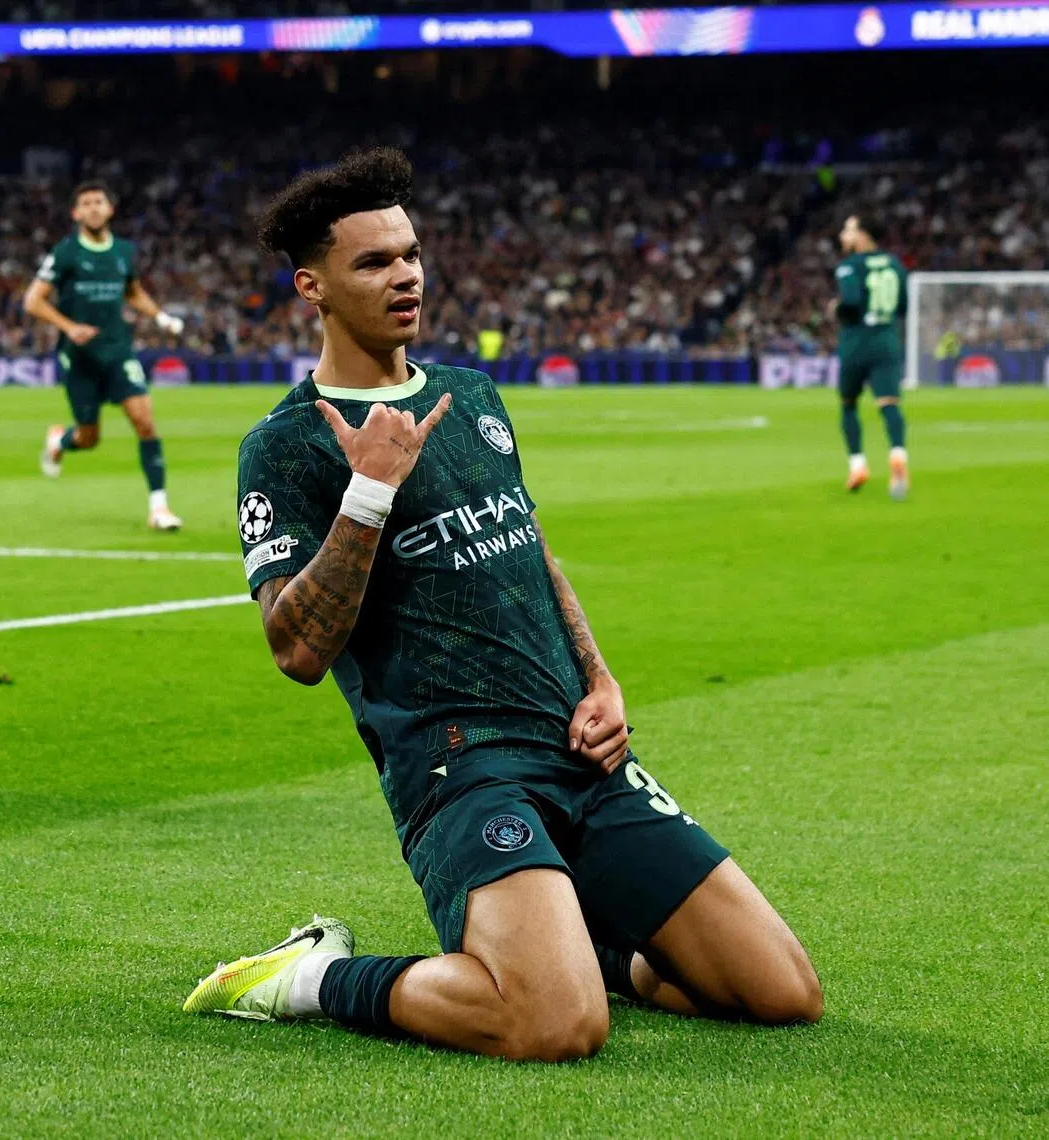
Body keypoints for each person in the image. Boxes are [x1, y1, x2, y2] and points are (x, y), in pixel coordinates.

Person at [183, 148, 822, 1060]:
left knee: (779, 992)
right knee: (554, 1026)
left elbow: (529, 550)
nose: (404, 275)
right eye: (373, 262)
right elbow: (296, 649)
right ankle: (306, 976)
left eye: (409, 253)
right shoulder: (286, 446)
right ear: (310, 287)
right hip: (462, 769)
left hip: (579, 749)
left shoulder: (471, 393)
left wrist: (601, 681)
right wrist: (367, 496)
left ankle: (577, 944)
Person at [23, 180, 185, 530]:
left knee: (144, 422)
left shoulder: (124, 252)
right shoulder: (66, 253)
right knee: (89, 437)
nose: (93, 207)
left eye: (99, 201)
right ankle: (61, 440)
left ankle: (159, 508)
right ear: (76, 213)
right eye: (86, 203)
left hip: (118, 351)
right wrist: (68, 328)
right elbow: (32, 301)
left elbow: (133, 292)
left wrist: (159, 316)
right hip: (79, 357)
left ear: (110, 209)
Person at [833, 213, 910, 499]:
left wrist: (837, 310)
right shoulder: (895, 264)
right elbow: (902, 307)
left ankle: (857, 464)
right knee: (889, 404)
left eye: (848, 230)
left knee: (848, 404)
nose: (843, 236)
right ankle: (898, 454)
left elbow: (851, 303)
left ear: (863, 235)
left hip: (857, 341)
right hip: (887, 339)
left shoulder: (849, 266)